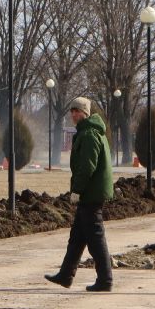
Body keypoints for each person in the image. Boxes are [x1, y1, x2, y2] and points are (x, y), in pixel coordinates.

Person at [44, 97, 114, 292]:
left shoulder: (90, 134)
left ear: (86, 113)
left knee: (95, 238)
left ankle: (105, 280)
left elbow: (87, 167)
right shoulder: (87, 131)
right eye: (72, 111)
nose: (74, 114)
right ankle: (66, 275)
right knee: (77, 236)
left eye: (78, 111)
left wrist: (77, 190)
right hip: (90, 193)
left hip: (91, 193)